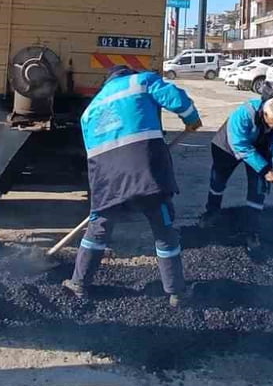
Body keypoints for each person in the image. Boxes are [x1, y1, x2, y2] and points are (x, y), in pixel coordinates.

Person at [64, 65, 203, 306]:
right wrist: (191, 118)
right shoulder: (142, 81)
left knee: (99, 226)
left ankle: (78, 283)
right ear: (126, 74)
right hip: (144, 169)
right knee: (163, 228)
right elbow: (175, 98)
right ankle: (176, 292)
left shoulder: (89, 110)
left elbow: (90, 154)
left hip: (105, 175)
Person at [202, 87, 273, 230]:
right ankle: (212, 212)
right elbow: (240, 145)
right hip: (228, 145)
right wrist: (265, 169)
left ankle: (251, 228)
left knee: (259, 188)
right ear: (265, 114)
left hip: (261, 148)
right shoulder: (245, 113)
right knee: (218, 180)